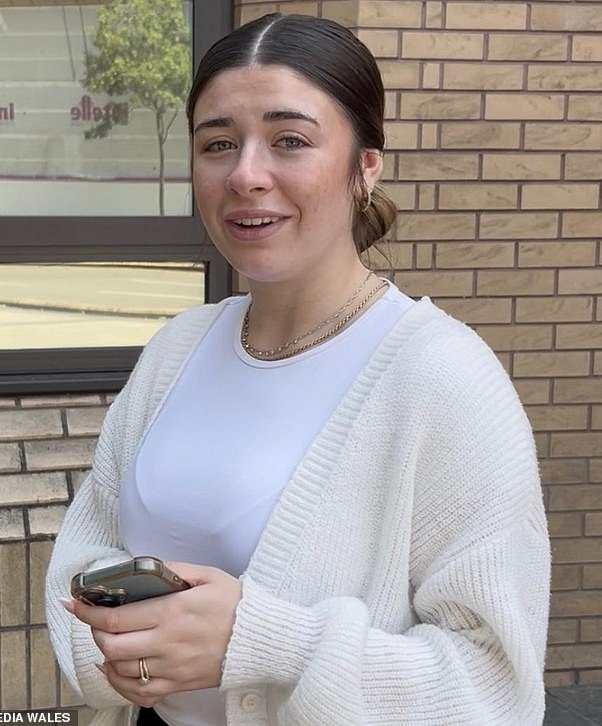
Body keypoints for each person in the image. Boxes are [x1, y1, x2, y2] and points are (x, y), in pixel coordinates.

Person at [46, 13, 551, 726]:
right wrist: (113, 651)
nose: (246, 174)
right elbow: (85, 549)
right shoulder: (178, 348)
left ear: (364, 167)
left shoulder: (445, 379)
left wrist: (267, 645)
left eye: (290, 140)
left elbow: (495, 687)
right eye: (218, 143)